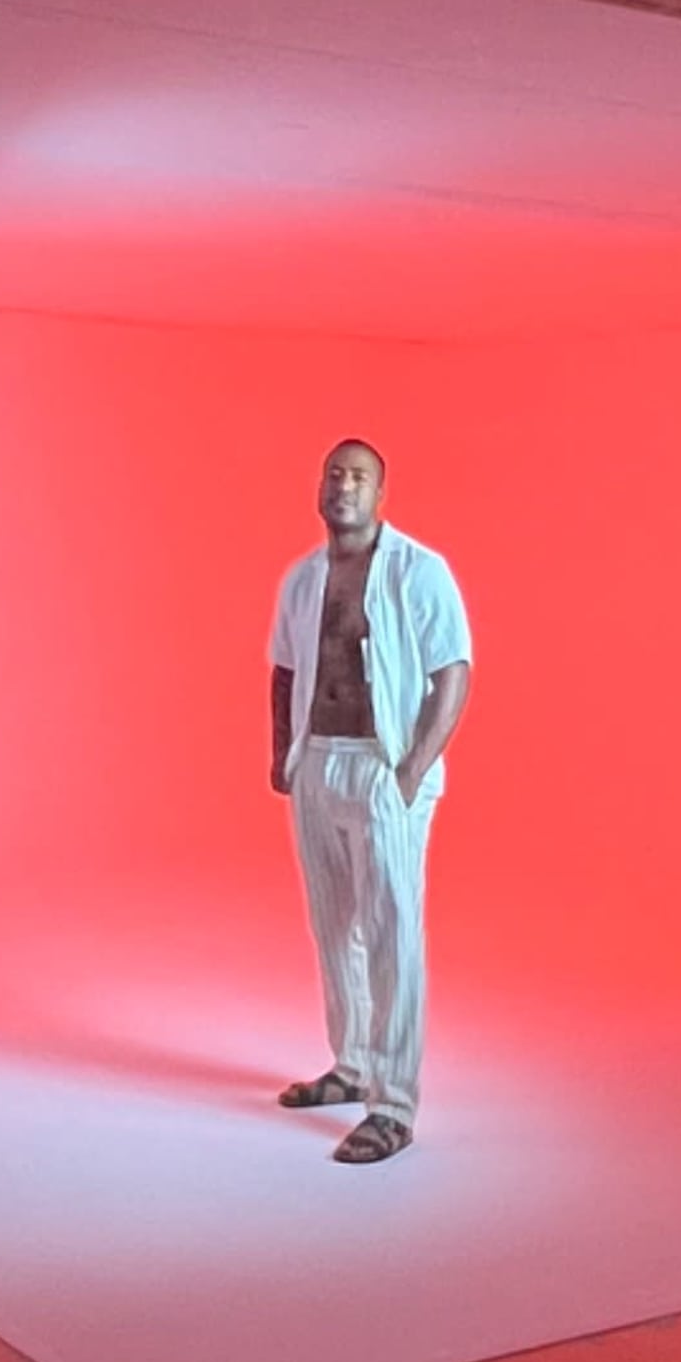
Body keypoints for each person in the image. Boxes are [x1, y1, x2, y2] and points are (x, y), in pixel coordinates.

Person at [265, 438, 473, 1164]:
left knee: (391, 934)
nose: (343, 486)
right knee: (334, 924)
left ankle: (395, 1105)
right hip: (317, 762)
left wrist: (414, 767)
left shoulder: (420, 570)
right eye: (333, 473)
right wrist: (281, 753)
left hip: (384, 768)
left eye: (358, 476)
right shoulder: (302, 578)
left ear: (380, 493)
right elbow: (287, 670)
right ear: (319, 487)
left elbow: (454, 671)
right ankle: (352, 1066)